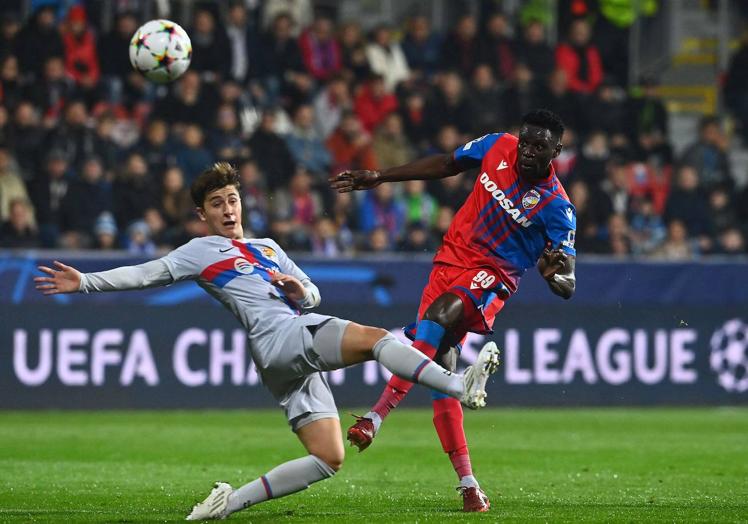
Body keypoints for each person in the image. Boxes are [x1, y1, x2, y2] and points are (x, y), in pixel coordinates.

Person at [34, 162, 500, 520]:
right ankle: (458, 385)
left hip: (284, 356)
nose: (227, 209)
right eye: (216, 203)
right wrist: (86, 281)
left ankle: (227, 504)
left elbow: (311, 291)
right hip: (282, 336)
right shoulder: (201, 251)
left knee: (328, 457)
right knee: (377, 338)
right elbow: (145, 274)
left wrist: (302, 291)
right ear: (203, 214)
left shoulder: (269, 248)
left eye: (232, 199)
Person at [330, 109, 577, 512]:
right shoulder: (499, 145)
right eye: (526, 141)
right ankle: (469, 485)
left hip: (491, 276)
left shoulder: (557, 208)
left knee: (439, 317)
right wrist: (380, 176)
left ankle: (374, 418)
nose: (528, 151)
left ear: (557, 151)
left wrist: (554, 278)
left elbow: (569, 283)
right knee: (441, 375)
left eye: (540, 146)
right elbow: (447, 164)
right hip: (449, 262)